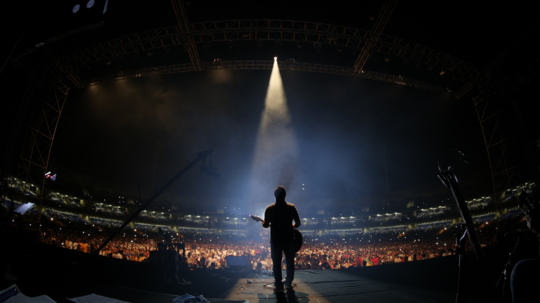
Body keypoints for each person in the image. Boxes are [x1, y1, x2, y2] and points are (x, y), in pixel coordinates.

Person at [261, 185, 301, 292]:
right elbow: (298, 223)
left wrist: (263, 223)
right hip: (289, 239)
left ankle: (278, 282)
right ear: (285, 195)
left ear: (275, 196)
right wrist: (290, 226)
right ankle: (288, 281)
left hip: (275, 240)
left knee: (277, 262)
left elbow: (266, 225)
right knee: (289, 261)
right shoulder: (291, 207)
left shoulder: (269, 209)